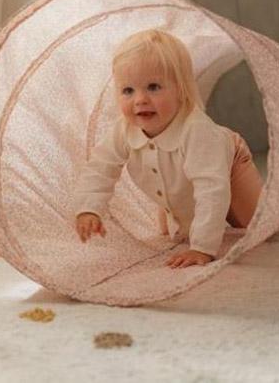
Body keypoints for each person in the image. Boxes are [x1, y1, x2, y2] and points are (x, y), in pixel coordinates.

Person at [73, 29, 263, 268]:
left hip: (229, 163)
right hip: (178, 179)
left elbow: (212, 189)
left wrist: (202, 248)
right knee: (177, 231)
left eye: (153, 87)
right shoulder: (123, 130)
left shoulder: (198, 131)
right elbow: (99, 169)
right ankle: (187, 218)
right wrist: (89, 209)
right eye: (128, 90)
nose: (140, 99)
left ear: (181, 90)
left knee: (255, 225)